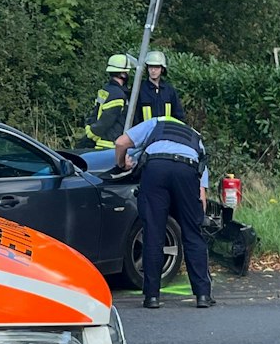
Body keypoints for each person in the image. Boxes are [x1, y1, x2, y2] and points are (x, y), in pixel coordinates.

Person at [113, 115, 214, 309]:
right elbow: (201, 195)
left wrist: (121, 164)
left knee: (153, 232)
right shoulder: (196, 139)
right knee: (192, 234)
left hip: (156, 168)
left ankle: (152, 297)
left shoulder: (155, 123)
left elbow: (120, 142)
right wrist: (196, 218)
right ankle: (202, 295)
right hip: (187, 169)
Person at [85, 53, 134, 148]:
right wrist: (93, 132)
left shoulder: (106, 89)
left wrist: (89, 128)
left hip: (100, 143)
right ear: (123, 74)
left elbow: (95, 112)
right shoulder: (118, 94)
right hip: (110, 144)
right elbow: (107, 119)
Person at [132, 50, 181, 123]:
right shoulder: (140, 89)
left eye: (157, 67)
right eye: (150, 67)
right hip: (145, 133)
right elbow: (134, 117)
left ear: (162, 69)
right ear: (147, 68)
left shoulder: (169, 90)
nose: (153, 70)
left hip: (164, 132)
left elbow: (178, 115)